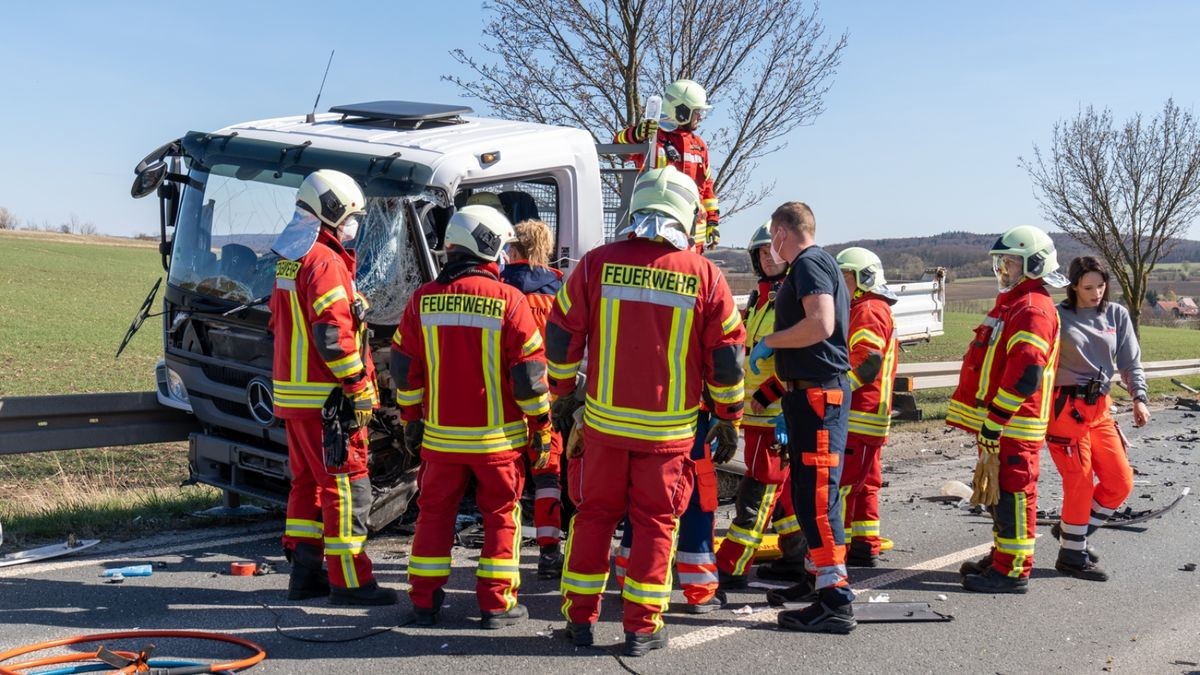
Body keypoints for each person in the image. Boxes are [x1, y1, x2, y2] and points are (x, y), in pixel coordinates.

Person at [548, 165, 745, 656]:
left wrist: (563, 390)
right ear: (686, 214)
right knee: (657, 524)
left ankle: (578, 620)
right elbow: (726, 358)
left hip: (604, 426)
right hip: (669, 432)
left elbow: (560, 334)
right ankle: (641, 629)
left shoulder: (595, 265)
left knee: (592, 518)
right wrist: (728, 415)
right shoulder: (704, 275)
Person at [391, 205, 552, 628]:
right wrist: (542, 427)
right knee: (501, 515)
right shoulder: (509, 300)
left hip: (440, 441)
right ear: (488, 246)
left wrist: (411, 418)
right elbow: (530, 378)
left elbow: (405, 368)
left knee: (434, 515)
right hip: (497, 443)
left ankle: (424, 602)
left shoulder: (421, 300)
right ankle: (496, 606)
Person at [268, 169, 397, 606]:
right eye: (351, 216)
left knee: (307, 485)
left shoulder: (292, 257)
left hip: (295, 397)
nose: (353, 225)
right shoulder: (324, 261)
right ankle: (351, 582)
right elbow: (332, 337)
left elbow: (284, 320)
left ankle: (304, 576)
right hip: (328, 400)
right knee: (347, 486)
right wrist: (359, 385)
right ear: (333, 210)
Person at [746, 201, 855, 634]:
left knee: (818, 501)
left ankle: (835, 598)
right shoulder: (813, 264)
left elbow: (821, 325)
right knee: (810, 495)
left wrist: (770, 340)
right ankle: (817, 581)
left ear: (780, 233)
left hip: (817, 397)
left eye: (771, 238)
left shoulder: (809, 265)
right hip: (806, 396)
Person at [948, 225, 1065, 594]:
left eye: (1012, 264)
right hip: (1003, 423)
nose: (1004, 271)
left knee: (1014, 494)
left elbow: (1025, 375)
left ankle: (1013, 570)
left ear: (1034, 265)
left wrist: (996, 420)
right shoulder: (1017, 304)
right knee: (1000, 493)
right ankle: (1002, 556)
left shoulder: (1032, 309)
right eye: (1002, 264)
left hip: (1014, 423)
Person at [713, 221, 807, 588]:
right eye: (762, 253)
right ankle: (795, 558)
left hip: (774, 415)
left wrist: (774, 400)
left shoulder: (794, 298)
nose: (768, 258)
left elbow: (801, 360)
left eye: (774, 252)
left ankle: (732, 566)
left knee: (757, 493)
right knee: (782, 496)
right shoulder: (763, 298)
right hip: (757, 415)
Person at [1046, 256, 1148, 582]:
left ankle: (1071, 533)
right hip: (1064, 409)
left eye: (1101, 286)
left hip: (1100, 408)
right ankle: (1071, 557)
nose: (1096, 293)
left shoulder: (1116, 314)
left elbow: (1130, 362)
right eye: (1088, 287)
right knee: (1079, 480)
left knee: (1120, 481)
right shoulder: (1056, 316)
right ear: (1073, 285)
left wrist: (1139, 399)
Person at [500, 218, 568, 579]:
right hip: (546, 396)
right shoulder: (558, 289)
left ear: (513, 247)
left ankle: (502, 550)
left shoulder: (497, 288)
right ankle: (548, 551)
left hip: (504, 396)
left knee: (506, 476)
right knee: (547, 473)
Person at [835, 247, 899, 567]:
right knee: (865, 484)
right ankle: (864, 545)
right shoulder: (872, 307)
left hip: (858, 413)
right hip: (869, 416)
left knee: (844, 485)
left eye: (844, 277)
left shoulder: (868, 310)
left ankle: (837, 552)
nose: (839, 284)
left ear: (863, 279)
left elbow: (867, 362)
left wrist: (835, 391)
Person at [614, 79, 721, 249]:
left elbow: (707, 188)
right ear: (681, 112)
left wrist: (713, 222)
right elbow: (620, 149)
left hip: (693, 237)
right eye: (697, 112)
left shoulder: (699, 146)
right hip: (653, 232)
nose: (700, 117)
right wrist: (636, 134)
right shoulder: (652, 137)